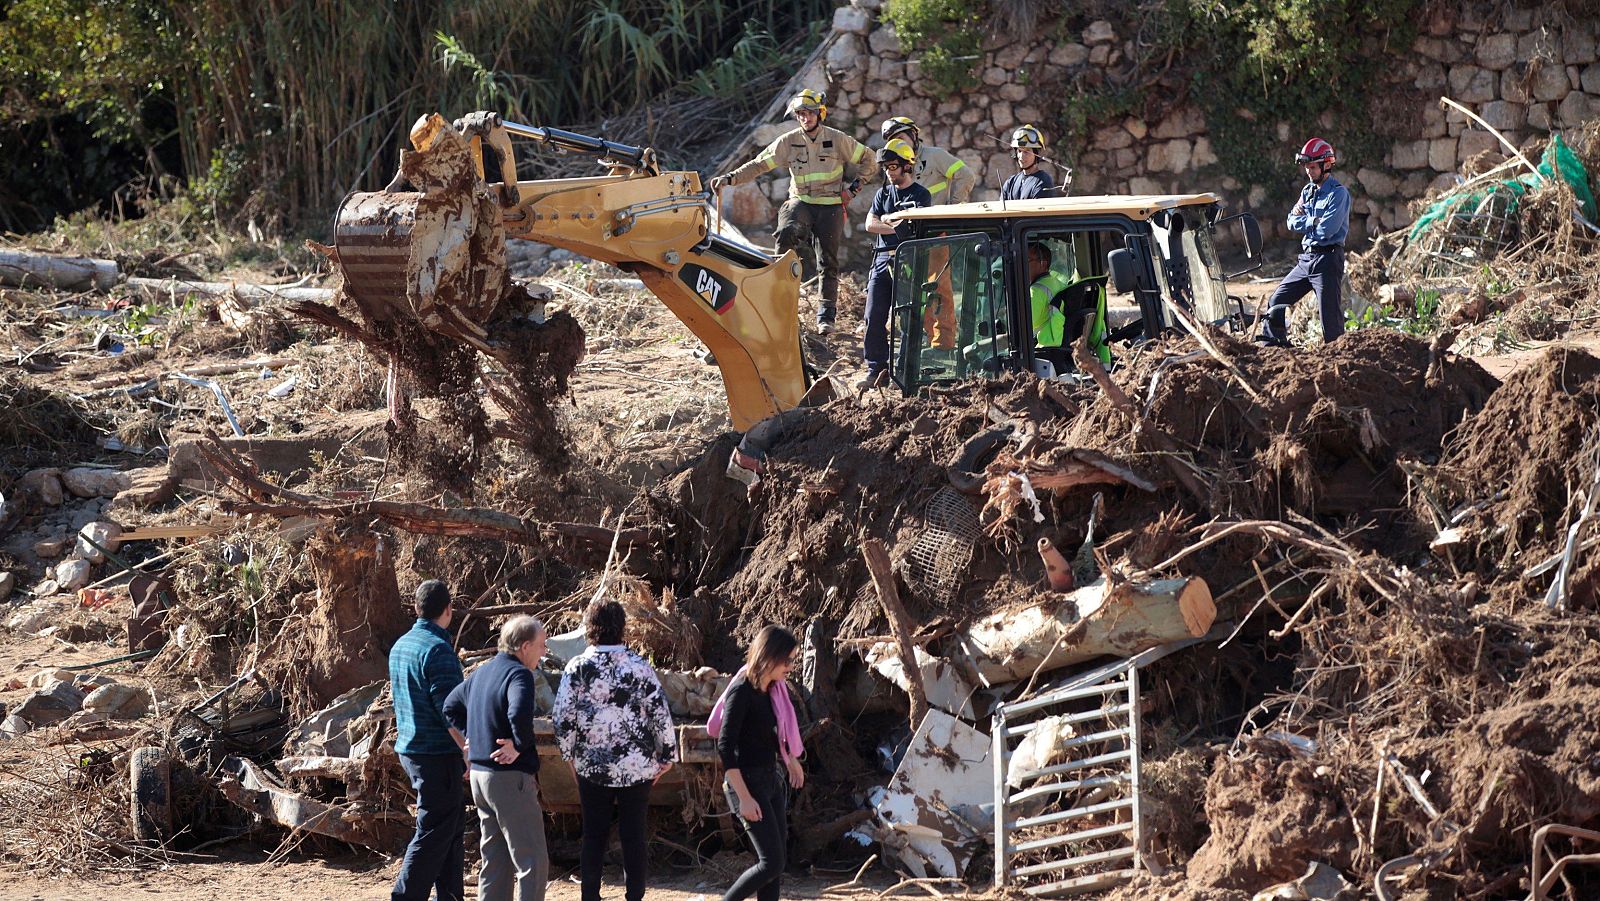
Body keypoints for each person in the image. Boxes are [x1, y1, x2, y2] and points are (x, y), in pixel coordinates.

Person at [710, 90, 872, 334]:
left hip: (830, 205)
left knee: (827, 261)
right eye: (800, 114)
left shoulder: (838, 140)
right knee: (786, 231)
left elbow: (870, 159)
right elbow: (758, 165)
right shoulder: (788, 141)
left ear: (820, 114)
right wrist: (730, 178)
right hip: (801, 201)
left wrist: (854, 189)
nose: (804, 118)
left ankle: (826, 317)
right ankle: (778, 303)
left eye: (808, 114)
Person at [552, 600, 676, 901]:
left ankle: (589, 897)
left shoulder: (577, 667)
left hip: (592, 767)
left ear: (589, 628)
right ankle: (635, 897)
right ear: (622, 627)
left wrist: (569, 756)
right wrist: (667, 757)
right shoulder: (639, 666)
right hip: (637, 766)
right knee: (634, 836)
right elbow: (659, 713)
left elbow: (562, 717)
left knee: (593, 836)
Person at [442, 615, 550, 901]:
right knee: (532, 861)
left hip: (480, 777)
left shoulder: (482, 672)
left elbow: (450, 707)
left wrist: (470, 740)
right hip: (508, 777)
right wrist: (519, 744)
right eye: (542, 645)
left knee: (495, 861)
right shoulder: (520, 675)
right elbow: (518, 712)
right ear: (525, 646)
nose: (545, 651)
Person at [389, 580, 467, 901]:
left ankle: (450, 896)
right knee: (435, 828)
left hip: (412, 750)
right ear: (448, 610)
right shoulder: (439, 651)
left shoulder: (401, 646)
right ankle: (405, 896)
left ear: (417, 609)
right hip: (437, 754)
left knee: (450, 828)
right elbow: (451, 711)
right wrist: (468, 749)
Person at [717, 625, 805, 901]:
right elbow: (725, 746)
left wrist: (789, 759)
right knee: (771, 862)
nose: (791, 667)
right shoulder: (741, 691)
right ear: (770, 656)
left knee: (776, 864)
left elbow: (769, 735)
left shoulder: (772, 691)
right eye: (787, 660)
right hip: (747, 783)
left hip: (769, 780)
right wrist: (743, 797)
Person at [1257, 137, 1352, 347]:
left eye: (1312, 167)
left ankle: (1339, 359)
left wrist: (1305, 222)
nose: (1308, 171)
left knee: (1330, 319)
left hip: (1328, 260)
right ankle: (1273, 349)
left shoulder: (1338, 194)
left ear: (1326, 165)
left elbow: (1327, 229)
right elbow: (1290, 221)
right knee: (1276, 302)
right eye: (1306, 167)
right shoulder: (1307, 191)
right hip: (1306, 259)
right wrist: (1312, 221)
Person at [859, 138, 934, 390]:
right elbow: (870, 225)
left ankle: (902, 371)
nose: (889, 172)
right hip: (882, 259)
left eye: (893, 167)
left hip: (909, 261)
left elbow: (914, 230)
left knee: (907, 319)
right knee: (873, 316)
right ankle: (875, 369)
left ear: (907, 166)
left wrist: (891, 223)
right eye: (886, 167)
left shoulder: (921, 195)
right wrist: (895, 223)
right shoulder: (882, 194)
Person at [879, 116, 976, 205]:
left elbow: (966, 176)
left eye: (900, 138)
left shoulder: (935, 155)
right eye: (893, 141)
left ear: (913, 134)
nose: (898, 144)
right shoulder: (893, 166)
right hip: (912, 221)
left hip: (935, 221)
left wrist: (953, 206)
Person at [999, 125, 1055, 201]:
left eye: (1027, 151)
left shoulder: (1043, 182)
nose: (1021, 156)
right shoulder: (1010, 182)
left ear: (1037, 153)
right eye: (1019, 151)